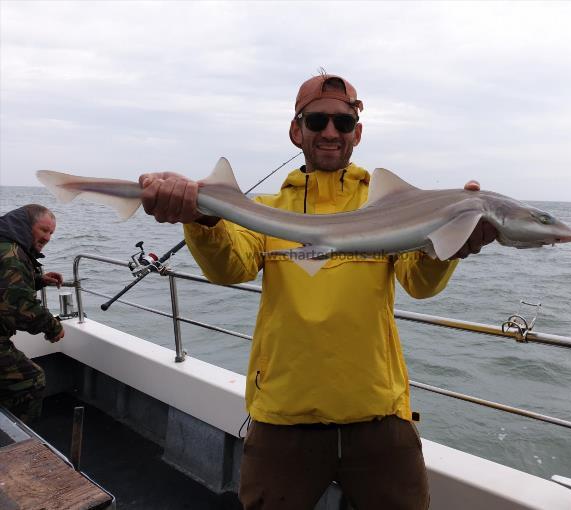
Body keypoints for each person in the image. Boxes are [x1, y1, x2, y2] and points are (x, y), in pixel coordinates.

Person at [139, 73, 497, 510]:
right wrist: (199, 219)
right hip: (283, 418)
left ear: (357, 133)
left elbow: (418, 285)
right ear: (297, 129)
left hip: (378, 415)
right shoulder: (267, 211)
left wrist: (449, 246)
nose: (330, 132)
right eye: (318, 120)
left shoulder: (392, 208)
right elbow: (229, 269)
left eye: (343, 123)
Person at [0, 204, 64, 424]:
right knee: (32, 379)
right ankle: (18, 445)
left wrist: (37, 280)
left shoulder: (6, 244)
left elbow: (5, 287)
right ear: (26, 226)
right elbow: (20, 308)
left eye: (51, 233)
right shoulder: (12, 254)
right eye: (44, 230)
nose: (47, 237)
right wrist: (53, 327)